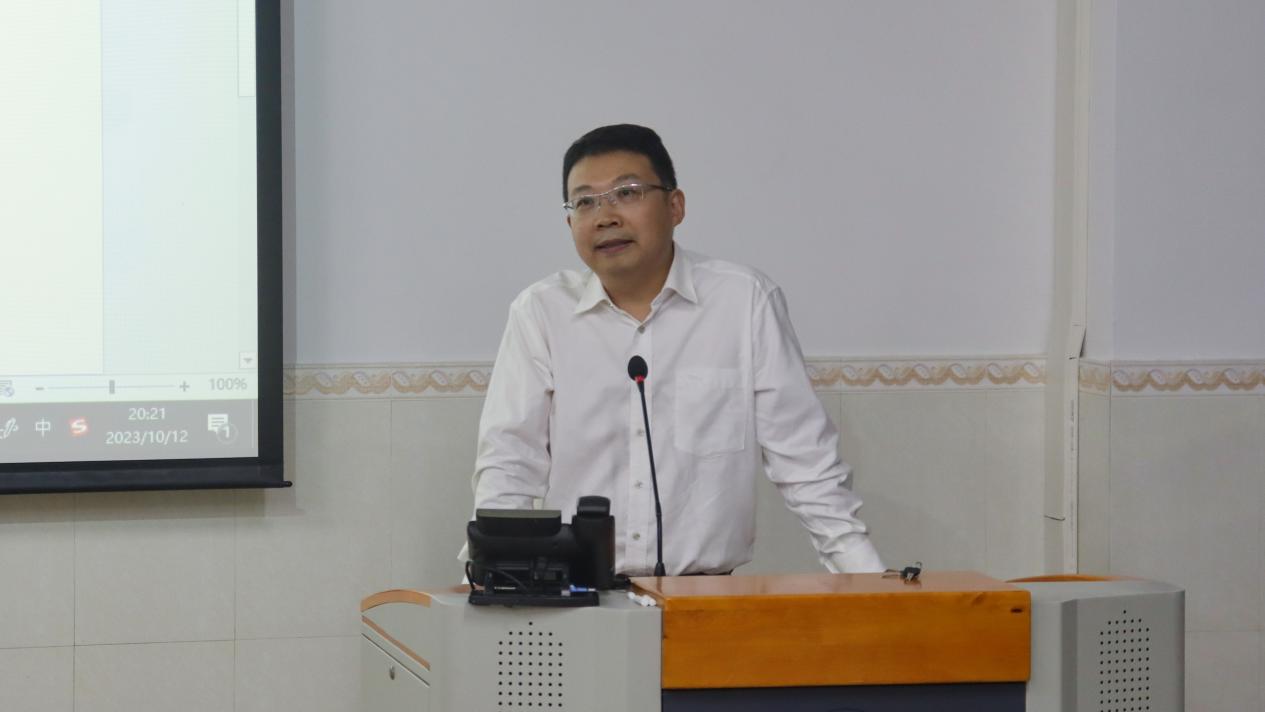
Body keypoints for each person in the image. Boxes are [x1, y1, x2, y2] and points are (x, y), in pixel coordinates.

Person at [470, 124, 882, 576]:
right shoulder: (541, 312)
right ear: (570, 224)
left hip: (705, 596)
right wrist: (496, 574)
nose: (605, 216)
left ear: (675, 206)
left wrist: (868, 581)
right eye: (585, 202)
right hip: (579, 597)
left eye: (627, 193)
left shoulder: (743, 301)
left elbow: (806, 462)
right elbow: (509, 462)